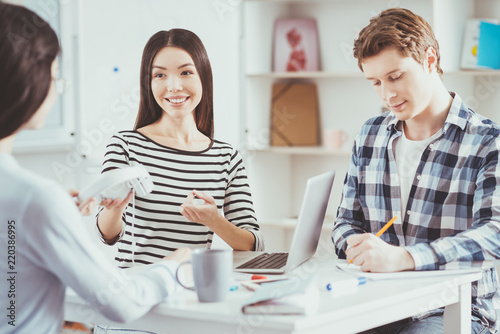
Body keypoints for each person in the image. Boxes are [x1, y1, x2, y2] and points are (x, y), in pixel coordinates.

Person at [0, 3, 190, 334]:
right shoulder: (36, 199)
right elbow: (122, 303)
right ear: (24, 79)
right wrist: (173, 268)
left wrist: (53, 212)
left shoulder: (34, 200)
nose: (57, 88)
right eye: (54, 75)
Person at [331, 7, 499, 334]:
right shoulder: (370, 135)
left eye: (395, 77)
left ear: (430, 59)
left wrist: (405, 258)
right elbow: (345, 222)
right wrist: (356, 246)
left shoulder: (487, 142)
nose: (387, 94)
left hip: (456, 309)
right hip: (380, 303)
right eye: (375, 82)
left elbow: (494, 232)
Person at [95, 29, 264, 269]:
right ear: (149, 82)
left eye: (186, 72)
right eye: (160, 75)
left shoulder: (226, 158)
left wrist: (215, 221)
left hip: (192, 295)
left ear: (203, 77)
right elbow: (107, 235)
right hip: (139, 293)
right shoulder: (126, 146)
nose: (174, 86)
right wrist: (116, 208)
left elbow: (254, 244)